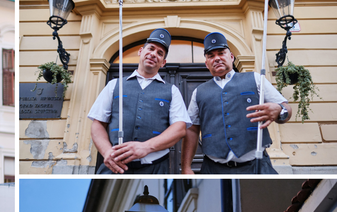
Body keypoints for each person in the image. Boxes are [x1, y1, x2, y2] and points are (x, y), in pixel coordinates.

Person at [181, 32, 292, 174]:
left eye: (221, 53)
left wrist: (280, 111)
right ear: (206, 63)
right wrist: (186, 167)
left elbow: (287, 109)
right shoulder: (199, 92)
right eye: (211, 56)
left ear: (231, 57)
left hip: (255, 166)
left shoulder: (256, 79)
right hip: (213, 169)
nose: (217, 58)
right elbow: (192, 129)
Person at [89, 28, 191, 174]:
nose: (154, 54)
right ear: (140, 51)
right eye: (151, 49)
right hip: (114, 166)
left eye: (159, 53)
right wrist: (107, 153)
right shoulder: (114, 85)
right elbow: (98, 123)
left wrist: (146, 147)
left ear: (163, 62)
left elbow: (180, 128)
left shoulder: (172, 90)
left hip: (155, 168)